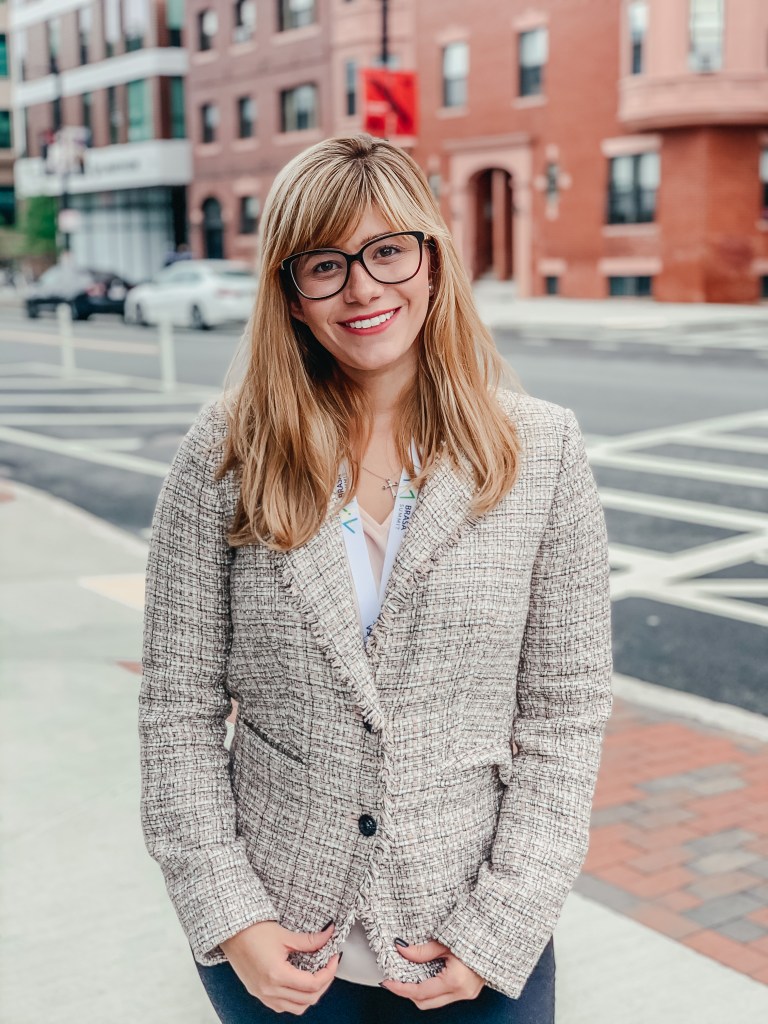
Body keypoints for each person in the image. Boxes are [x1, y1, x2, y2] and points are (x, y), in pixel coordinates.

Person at [138, 134, 613, 1023]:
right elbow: (177, 708)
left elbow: (565, 710)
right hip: (279, 947)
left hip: (471, 939)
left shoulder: (542, 450)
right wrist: (228, 913)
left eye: (388, 251)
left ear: (432, 260)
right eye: (326, 264)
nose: (362, 287)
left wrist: (502, 924)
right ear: (290, 293)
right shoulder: (226, 453)